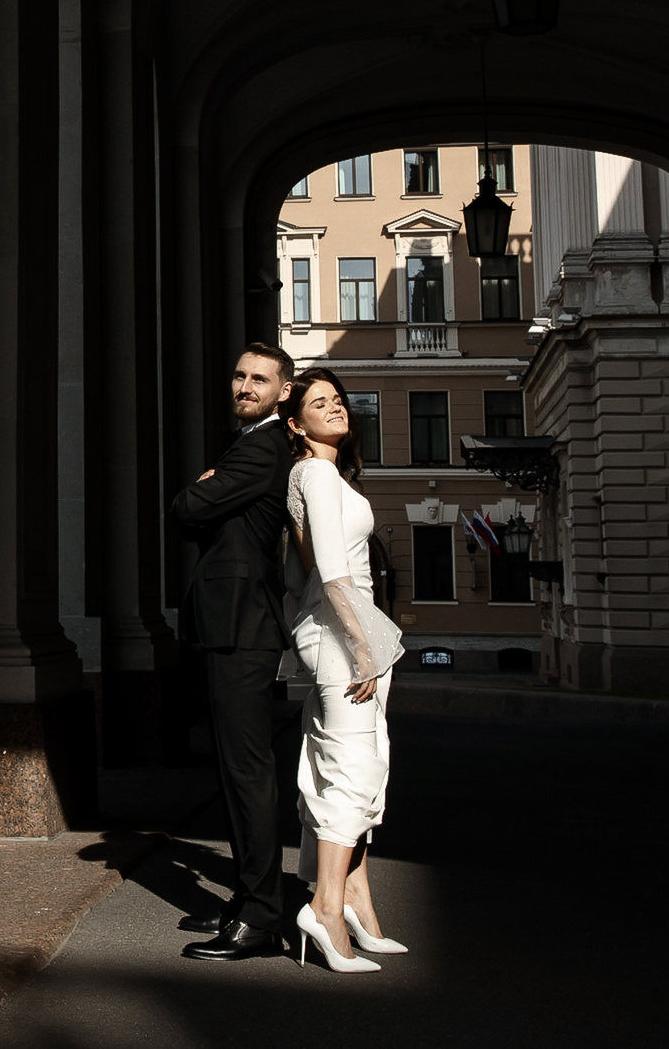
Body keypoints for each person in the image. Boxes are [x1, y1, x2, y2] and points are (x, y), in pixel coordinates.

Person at [168, 343, 297, 960]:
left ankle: (264, 917)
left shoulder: (263, 447)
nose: (245, 386)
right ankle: (248, 900)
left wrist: (204, 489)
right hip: (232, 624)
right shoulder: (247, 445)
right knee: (236, 772)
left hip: (245, 626)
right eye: (240, 375)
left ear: (284, 391)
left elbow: (188, 509)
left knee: (248, 774)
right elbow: (198, 519)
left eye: (260, 379)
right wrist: (206, 495)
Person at [279, 368, 407, 973]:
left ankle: (356, 900)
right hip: (343, 633)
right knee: (355, 770)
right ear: (295, 422)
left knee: (348, 763)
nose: (335, 408)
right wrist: (362, 651)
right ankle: (326, 907)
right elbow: (330, 571)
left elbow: (311, 562)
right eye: (318, 402)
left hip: (346, 628)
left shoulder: (320, 476)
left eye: (338, 400)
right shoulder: (316, 474)